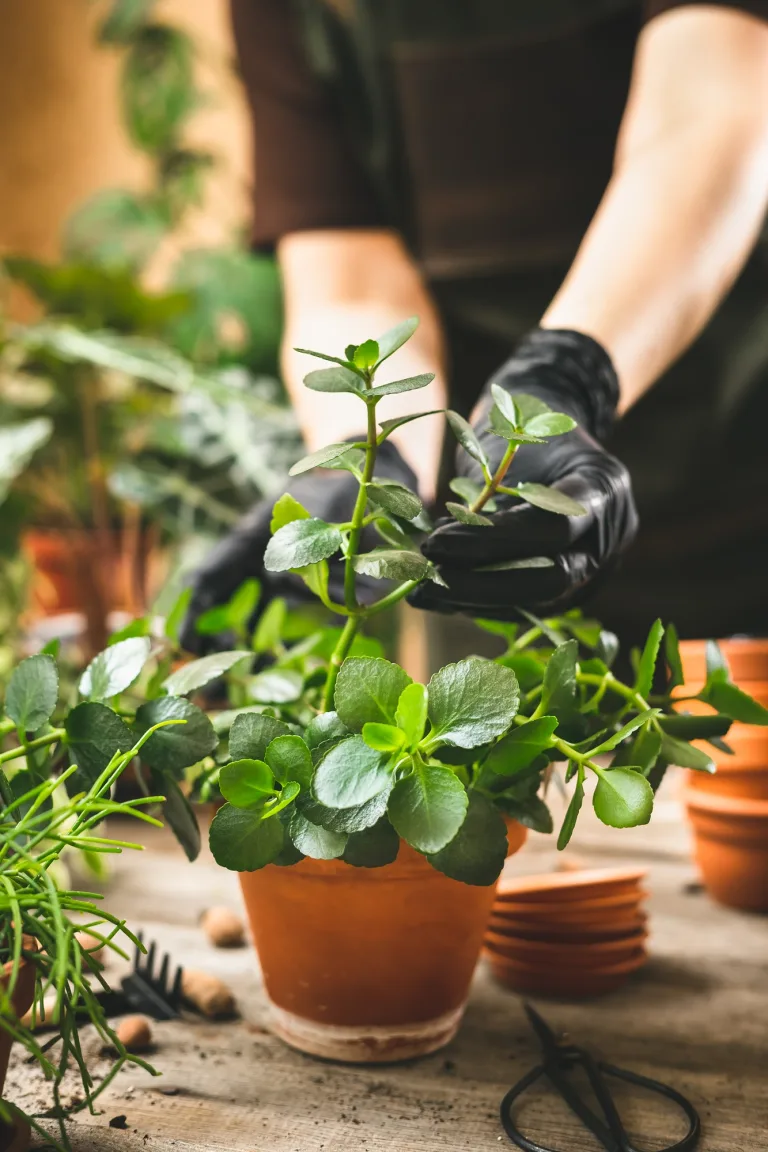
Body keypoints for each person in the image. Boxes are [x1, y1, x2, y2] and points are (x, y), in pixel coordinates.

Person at [182, 0, 768, 652]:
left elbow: (710, 116)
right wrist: (370, 459)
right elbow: (353, 280)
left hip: (744, 473)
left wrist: (569, 373)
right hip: (502, 552)